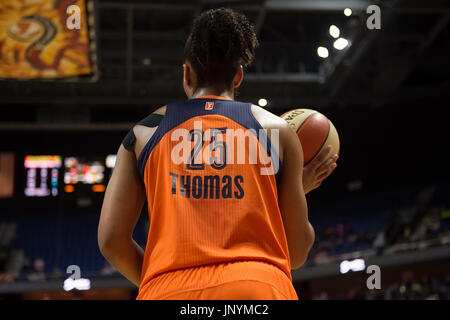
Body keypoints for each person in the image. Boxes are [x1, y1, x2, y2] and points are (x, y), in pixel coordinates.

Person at [98, 8, 338, 300]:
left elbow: (111, 241)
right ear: (238, 76)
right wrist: (294, 192)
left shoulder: (142, 133)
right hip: (257, 288)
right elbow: (297, 253)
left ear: (186, 73)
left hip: (169, 291)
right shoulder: (277, 131)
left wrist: (158, 283)